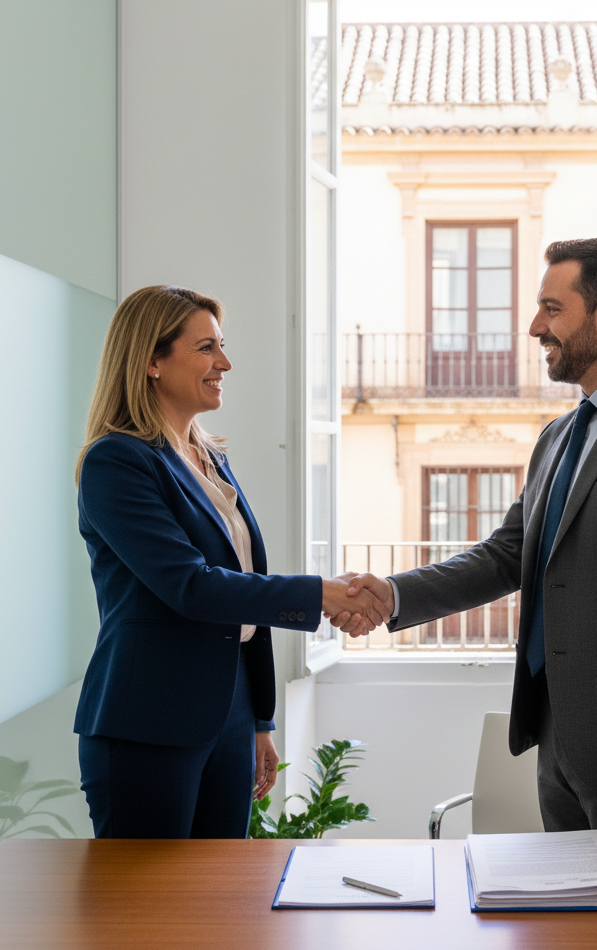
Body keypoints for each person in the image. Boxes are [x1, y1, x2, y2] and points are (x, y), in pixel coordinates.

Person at [345, 237, 597, 840]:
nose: (535, 326)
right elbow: (506, 555)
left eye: (552, 309)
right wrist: (394, 594)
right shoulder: (557, 437)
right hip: (558, 740)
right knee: (572, 931)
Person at [73, 285, 385, 839]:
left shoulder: (208, 457)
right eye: (205, 348)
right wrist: (320, 595)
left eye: (222, 345)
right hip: (150, 719)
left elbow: (242, 586)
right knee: (148, 908)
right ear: (150, 360)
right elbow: (191, 587)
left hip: (230, 712)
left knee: (220, 905)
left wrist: (258, 720)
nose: (225, 363)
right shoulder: (116, 461)